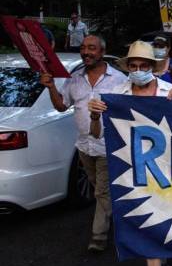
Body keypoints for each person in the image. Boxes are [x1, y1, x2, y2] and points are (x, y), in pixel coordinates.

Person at [87, 40, 172, 266]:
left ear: (152, 67)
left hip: (166, 166)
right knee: (147, 216)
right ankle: (156, 264)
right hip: (131, 168)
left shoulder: (169, 92)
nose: (138, 71)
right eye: (133, 66)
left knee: (164, 214)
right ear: (128, 67)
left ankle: (162, 256)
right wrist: (95, 116)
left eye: (144, 66)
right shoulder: (117, 95)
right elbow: (97, 135)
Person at [39, 35, 127, 252]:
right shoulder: (75, 78)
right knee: (99, 188)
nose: (86, 52)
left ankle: (98, 238)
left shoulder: (119, 79)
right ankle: (118, 214)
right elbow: (61, 106)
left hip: (109, 146)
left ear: (102, 51)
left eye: (92, 48)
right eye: (83, 48)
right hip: (84, 147)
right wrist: (50, 87)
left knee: (101, 192)